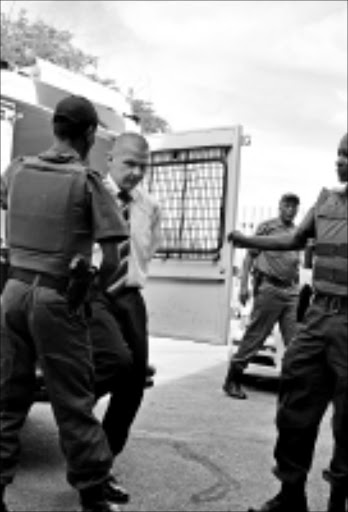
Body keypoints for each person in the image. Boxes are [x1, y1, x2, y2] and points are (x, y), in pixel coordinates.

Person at [0, 95, 130, 512]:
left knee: (7, 397)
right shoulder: (87, 181)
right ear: (90, 134)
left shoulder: (16, 169)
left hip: (12, 293)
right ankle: (93, 489)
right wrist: (90, 292)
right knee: (73, 398)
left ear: (56, 128)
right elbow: (112, 259)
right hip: (57, 298)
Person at [228, 132, 348, 512]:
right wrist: (249, 242)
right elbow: (296, 239)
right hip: (317, 318)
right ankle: (290, 497)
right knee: (295, 402)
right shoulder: (326, 201)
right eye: (339, 153)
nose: (340, 161)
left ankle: (339, 501)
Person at [89, 132, 161, 475]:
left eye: (142, 166)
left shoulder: (150, 205)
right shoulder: (88, 192)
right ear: (110, 159)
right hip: (92, 294)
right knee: (113, 365)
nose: (136, 173)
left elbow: (148, 250)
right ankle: (76, 421)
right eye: (130, 163)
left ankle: (102, 463)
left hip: (129, 296)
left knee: (133, 384)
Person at [223, 193, 301, 399]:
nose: (291, 210)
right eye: (287, 205)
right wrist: (243, 286)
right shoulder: (267, 227)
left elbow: (296, 263)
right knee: (256, 335)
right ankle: (233, 378)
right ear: (280, 206)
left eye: (294, 206)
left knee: (295, 341)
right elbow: (250, 256)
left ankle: (292, 387)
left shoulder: (296, 231)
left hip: (292, 292)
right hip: (270, 289)